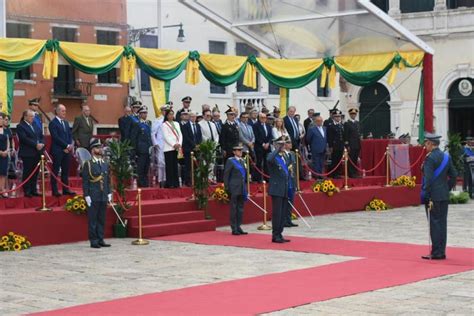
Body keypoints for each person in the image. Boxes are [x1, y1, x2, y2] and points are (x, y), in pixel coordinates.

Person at [421, 132, 457, 260]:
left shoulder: (430, 158)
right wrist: (446, 188)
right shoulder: (446, 157)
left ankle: (436, 252)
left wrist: (426, 193)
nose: (425, 145)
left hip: (433, 196)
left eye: (426, 143)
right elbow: (454, 175)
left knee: (434, 223)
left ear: (431, 144)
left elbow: (429, 179)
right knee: (442, 223)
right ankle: (441, 250)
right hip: (443, 195)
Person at [82, 138, 112, 249]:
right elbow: (85, 181)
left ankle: (100, 239)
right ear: (93, 150)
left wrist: (109, 192)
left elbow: (107, 180)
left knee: (101, 218)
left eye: (100, 147)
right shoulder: (88, 164)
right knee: (93, 219)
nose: (100, 149)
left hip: (103, 194)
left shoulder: (104, 163)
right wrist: (86, 195)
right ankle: (93, 240)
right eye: (98, 148)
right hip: (93, 194)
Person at [267, 137, 291, 243]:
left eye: (283, 144)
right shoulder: (272, 156)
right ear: (276, 145)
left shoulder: (283, 157)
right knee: (277, 213)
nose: (282, 146)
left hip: (284, 188)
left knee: (282, 213)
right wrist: (277, 149)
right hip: (276, 188)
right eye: (280, 144)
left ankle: (280, 233)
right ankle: (275, 235)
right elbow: (269, 159)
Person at [16, 110, 45, 197]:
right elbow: (24, 139)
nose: (33, 118)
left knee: (35, 172)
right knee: (28, 172)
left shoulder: (35, 125)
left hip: (37, 152)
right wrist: (35, 145)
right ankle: (27, 190)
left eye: (33, 116)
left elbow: (41, 135)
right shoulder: (21, 126)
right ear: (25, 117)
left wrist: (42, 143)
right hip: (28, 153)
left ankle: (34, 189)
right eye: (31, 116)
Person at [49, 104, 75, 197]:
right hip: (58, 150)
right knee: (55, 170)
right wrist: (66, 145)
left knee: (65, 171)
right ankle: (54, 190)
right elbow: (55, 137)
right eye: (63, 111)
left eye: (65, 111)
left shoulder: (66, 123)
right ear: (58, 111)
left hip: (67, 151)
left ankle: (65, 189)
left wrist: (70, 145)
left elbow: (69, 135)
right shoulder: (53, 123)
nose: (65, 113)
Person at [224, 143, 248, 235]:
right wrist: (227, 187)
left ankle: (239, 226)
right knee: (233, 208)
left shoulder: (242, 161)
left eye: (241, 150)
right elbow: (226, 174)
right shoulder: (231, 161)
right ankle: (234, 227)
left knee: (240, 208)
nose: (240, 152)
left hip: (241, 187)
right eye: (238, 150)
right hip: (233, 187)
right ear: (234, 152)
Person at [130, 106, 152, 188]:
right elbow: (134, 138)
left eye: (146, 113)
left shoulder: (148, 123)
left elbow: (149, 136)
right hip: (141, 149)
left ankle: (145, 182)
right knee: (141, 167)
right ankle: (141, 182)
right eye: (143, 113)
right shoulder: (137, 124)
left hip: (148, 148)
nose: (145, 114)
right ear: (139, 114)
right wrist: (135, 150)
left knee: (146, 166)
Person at [162, 108, 182, 188]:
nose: (171, 116)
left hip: (177, 148)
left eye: (172, 114)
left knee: (175, 165)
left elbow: (180, 134)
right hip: (169, 148)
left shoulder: (176, 123)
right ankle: (170, 183)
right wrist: (173, 144)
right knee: (169, 166)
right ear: (166, 115)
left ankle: (176, 183)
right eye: (170, 114)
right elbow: (166, 136)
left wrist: (179, 143)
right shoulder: (164, 125)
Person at [181, 112, 202, 186]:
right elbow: (186, 137)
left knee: (196, 165)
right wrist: (194, 145)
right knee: (188, 166)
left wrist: (198, 145)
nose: (193, 118)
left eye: (194, 117)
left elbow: (199, 136)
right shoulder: (185, 126)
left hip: (197, 149)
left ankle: (196, 180)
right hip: (189, 149)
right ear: (189, 117)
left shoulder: (198, 125)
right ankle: (188, 181)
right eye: (192, 117)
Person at [151, 104, 169, 188]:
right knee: (161, 162)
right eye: (164, 110)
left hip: (169, 144)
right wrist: (156, 144)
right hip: (160, 144)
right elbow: (153, 133)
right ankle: (161, 180)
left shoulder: (170, 121)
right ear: (161, 111)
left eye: (167, 110)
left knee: (168, 163)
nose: (165, 112)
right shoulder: (158, 120)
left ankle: (167, 179)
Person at [253, 112, 272, 183]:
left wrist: (268, 143)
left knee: (267, 162)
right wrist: (263, 144)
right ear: (259, 118)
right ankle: (258, 178)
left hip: (267, 146)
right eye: (262, 118)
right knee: (259, 162)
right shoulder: (255, 126)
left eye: (265, 117)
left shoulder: (268, 125)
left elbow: (270, 136)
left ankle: (267, 177)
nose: (263, 119)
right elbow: (256, 136)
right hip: (259, 147)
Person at [283, 136, 298, 227]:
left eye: (290, 143)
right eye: (288, 143)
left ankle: (289, 219)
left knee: (291, 201)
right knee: (286, 202)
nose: (290, 144)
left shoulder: (292, 154)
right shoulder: (283, 155)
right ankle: (284, 220)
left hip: (291, 180)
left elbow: (294, 169)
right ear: (284, 144)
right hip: (286, 181)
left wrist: (295, 183)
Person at [344, 107, 362, 178]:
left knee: (355, 159)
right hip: (351, 144)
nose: (353, 115)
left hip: (357, 144)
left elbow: (358, 133)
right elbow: (346, 135)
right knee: (351, 159)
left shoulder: (357, 123)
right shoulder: (347, 123)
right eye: (352, 114)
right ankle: (351, 173)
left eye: (354, 114)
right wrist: (347, 145)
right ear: (349, 114)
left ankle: (355, 172)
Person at [327, 110, 344, 178]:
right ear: (333, 117)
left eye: (339, 116)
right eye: (336, 117)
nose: (338, 118)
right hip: (334, 146)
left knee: (339, 159)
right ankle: (333, 173)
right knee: (334, 160)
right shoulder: (331, 125)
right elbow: (330, 137)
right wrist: (330, 146)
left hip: (341, 145)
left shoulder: (341, 125)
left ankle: (338, 173)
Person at [0, 113, 9, 197]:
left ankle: (2, 189)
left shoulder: (6, 130)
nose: (1, 120)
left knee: (3, 172)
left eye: (2, 119)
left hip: (5, 154)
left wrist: (7, 151)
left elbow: (8, 142)